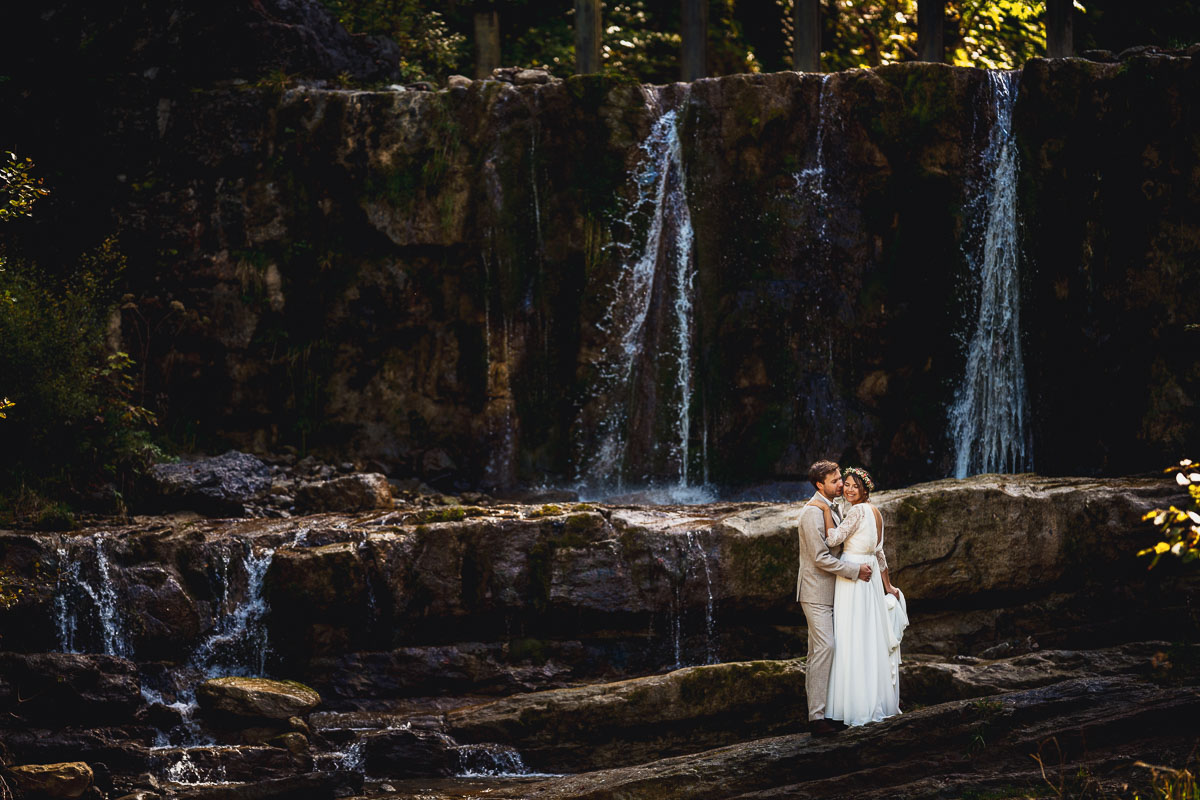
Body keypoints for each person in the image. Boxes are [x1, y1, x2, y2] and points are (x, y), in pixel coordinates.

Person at [810, 466, 907, 727]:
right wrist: (888, 586)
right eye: (847, 484)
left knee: (852, 637)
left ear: (865, 489)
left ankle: (852, 705)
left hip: (853, 577)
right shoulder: (876, 512)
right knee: (868, 637)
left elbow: (832, 540)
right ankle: (871, 698)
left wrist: (825, 512)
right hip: (871, 577)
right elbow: (879, 553)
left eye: (855, 485)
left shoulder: (857, 511)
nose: (849, 489)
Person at [796, 460, 873, 737]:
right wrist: (854, 571)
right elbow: (819, 558)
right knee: (825, 648)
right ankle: (816, 718)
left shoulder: (834, 508)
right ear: (820, 485)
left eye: (841, 478)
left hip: (837, 592)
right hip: (816, 592)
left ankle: (830, 711)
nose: (842, 483)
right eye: (835, 480)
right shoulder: (811, 513)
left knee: (825, 650)